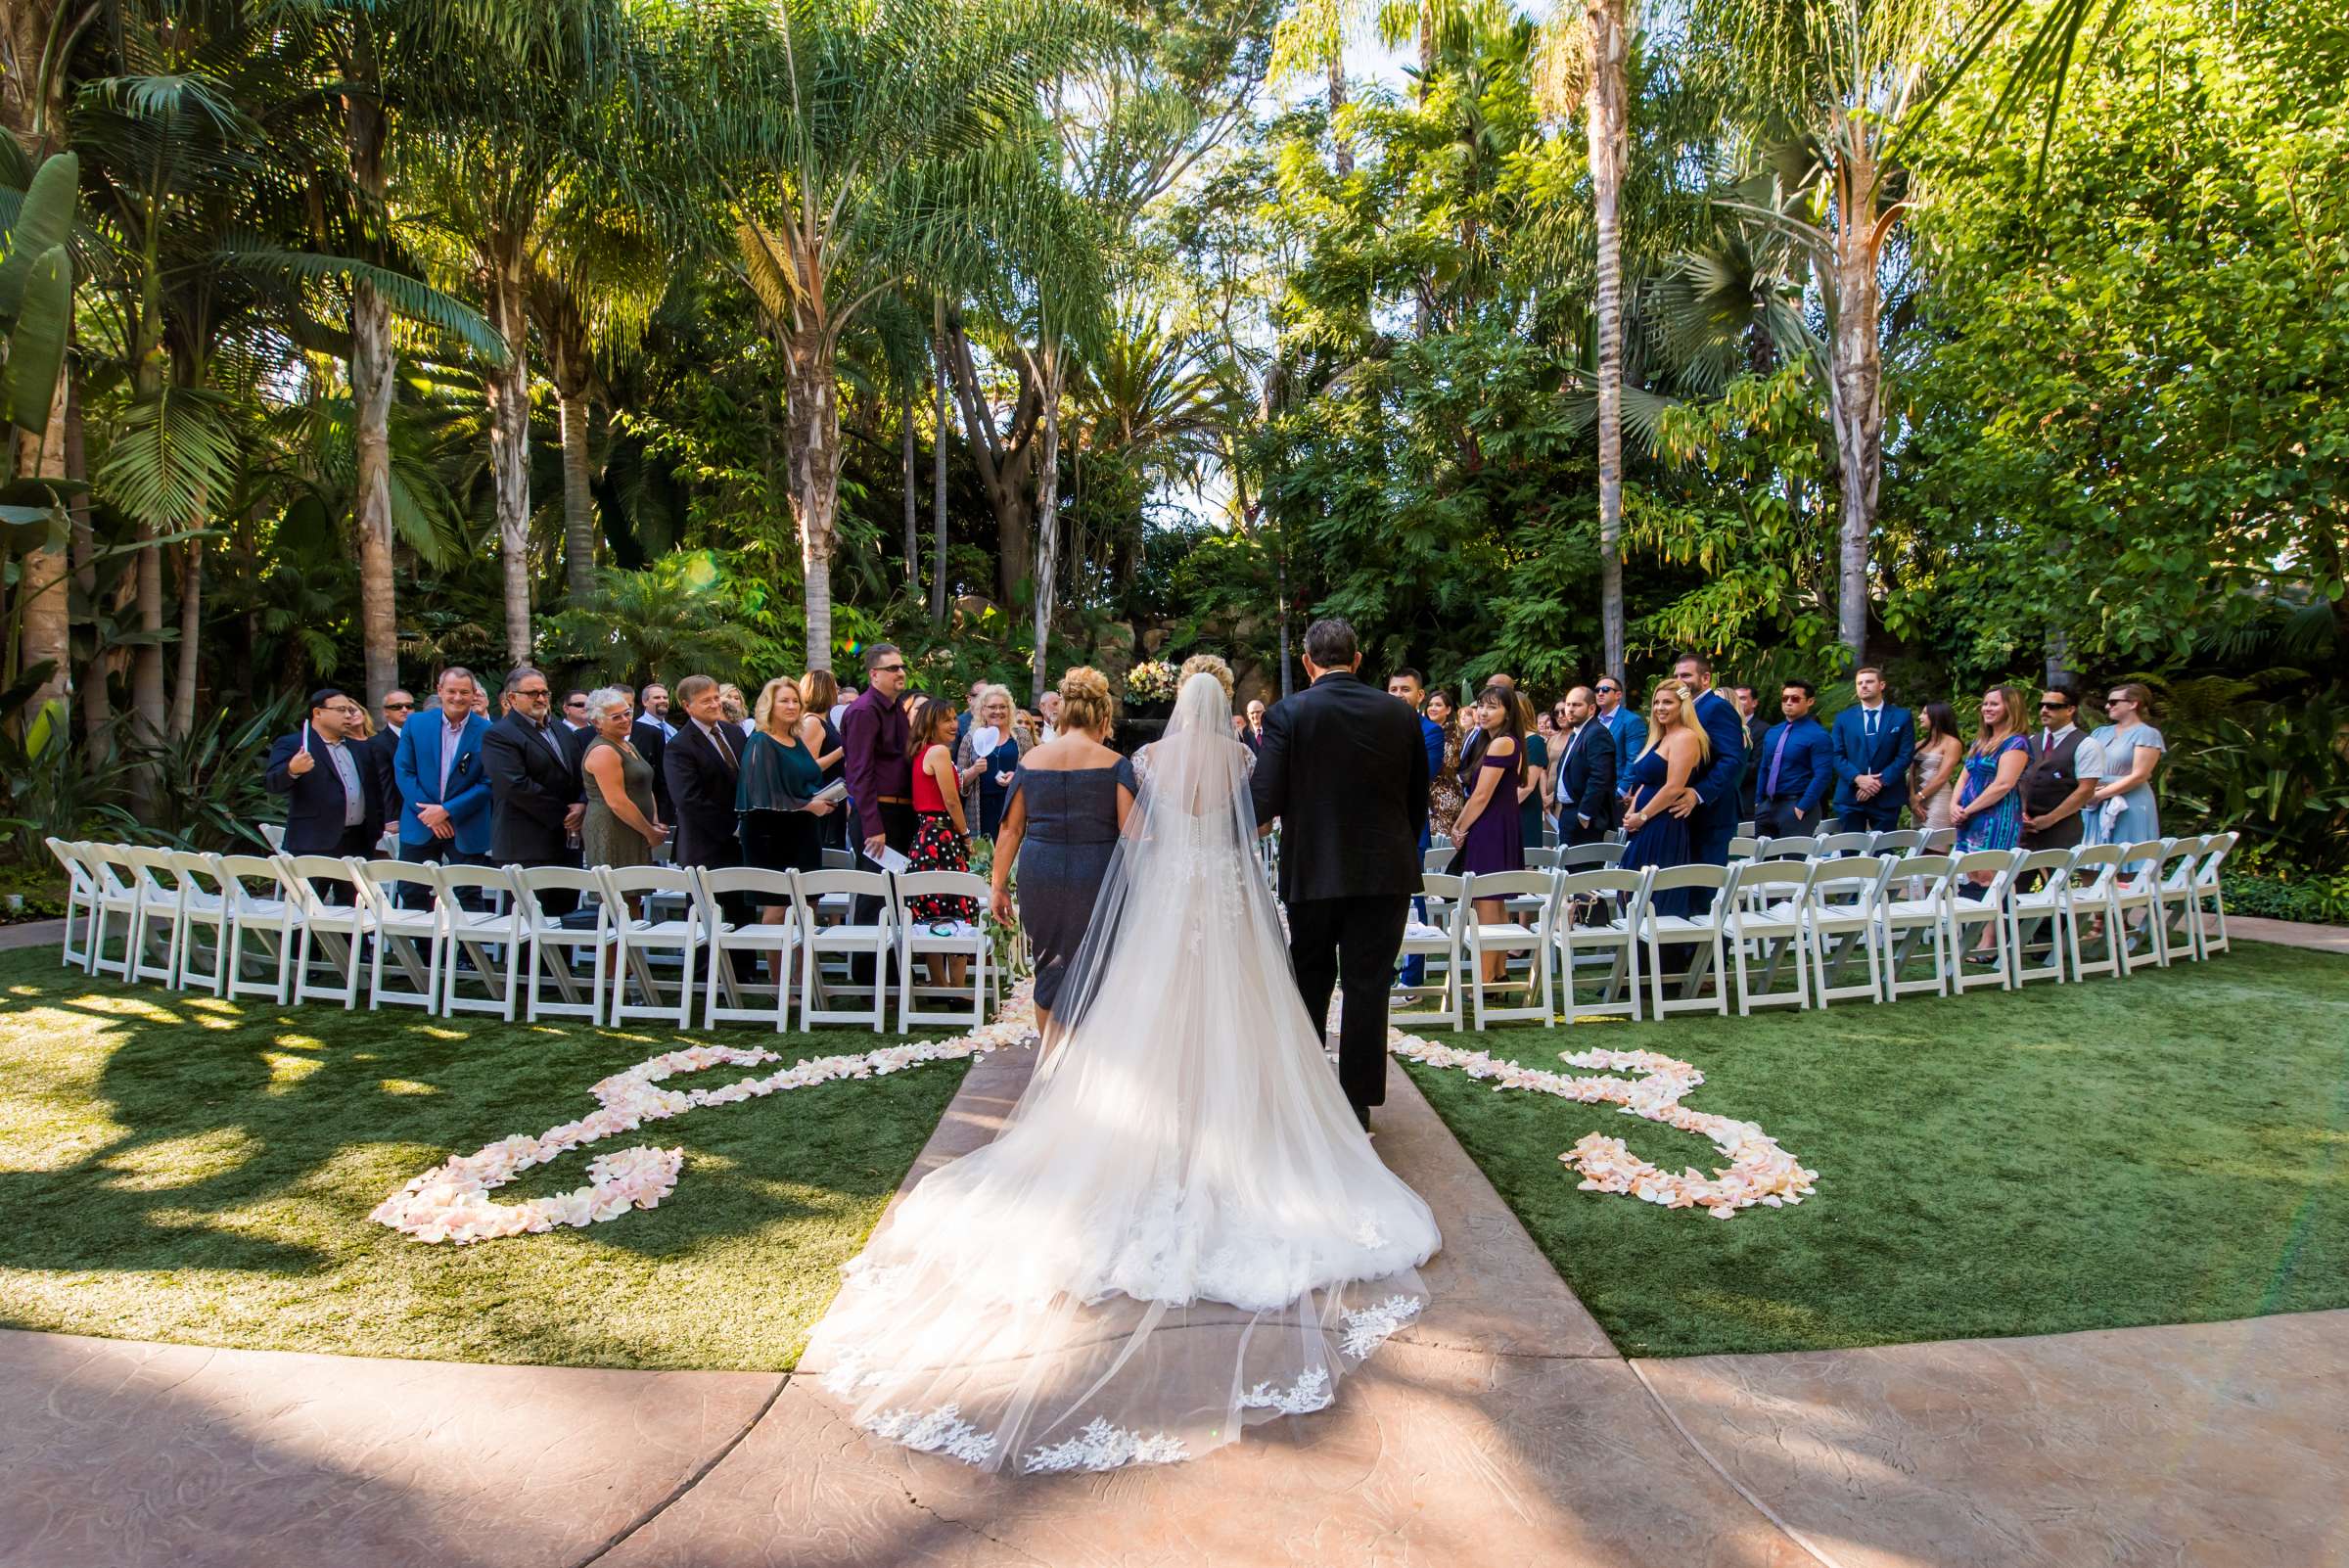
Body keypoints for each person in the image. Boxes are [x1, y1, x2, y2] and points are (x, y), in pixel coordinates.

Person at [811, 661, 1439, 1477]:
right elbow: (1248, 825)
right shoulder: (1242, 759)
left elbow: (1144, 838)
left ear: (1176, 707)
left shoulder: (1144, 762)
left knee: (1154, 1014)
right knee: (1247, 1011)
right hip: (1227, 899)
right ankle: (1244, 1117)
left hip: (1172, 899)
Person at [1250, 617, 1429, 1130]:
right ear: (1356, 660)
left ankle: (1307, 1095)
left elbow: (1265, 800)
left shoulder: (1289, 712)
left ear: (1308, 662)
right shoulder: (1400, 713)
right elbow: (1416, 800)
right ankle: (1357, 1103)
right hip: (1386, 872)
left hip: (1314, 871)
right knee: (1369, 984)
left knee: (1310, 979)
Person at [988, 667, 1135, 1033]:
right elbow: (1132, 831)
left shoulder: (1031, 761)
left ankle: (1050, 1067)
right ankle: (1085, 1068)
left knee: (1049, 966)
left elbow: (1010, 829)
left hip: (1042, 871)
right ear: (1103, 716)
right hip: (1098, 872)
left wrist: (998, 885)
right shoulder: (1116, 764)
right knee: (1098, 966)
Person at [841, 644, 915, 986]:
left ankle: (895, 971)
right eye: (892, 668)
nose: (900, 672)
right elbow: (859, 772)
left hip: (900, 812)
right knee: (874, 896)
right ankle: (868, 977)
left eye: (901, 667)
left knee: (897, 894)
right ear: (874, 674)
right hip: (878, 815)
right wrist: (873, 825)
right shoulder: (863, 711)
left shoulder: (896, 708)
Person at [482, 668, 585, 914]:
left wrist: (581, 804)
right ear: (512, 698)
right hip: (525, 844)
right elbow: (515, 785)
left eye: (544, 692)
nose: (540, 698)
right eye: (532, 693)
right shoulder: (499, 735)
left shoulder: (561, 729)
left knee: (565, 922)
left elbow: (581, 772)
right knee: (528, 927)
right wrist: (564, 815)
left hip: (566, 844)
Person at [738, 676, 835, 934]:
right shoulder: (761, 741)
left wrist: (825, 798)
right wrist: (808, 805)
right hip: (771, 833)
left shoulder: (797, 741)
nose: (791, 706)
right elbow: (761, 791)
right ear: (769, 705)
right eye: (784, 701)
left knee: (809, 903)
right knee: (777, 909)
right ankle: (776, 974)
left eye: (795, 701)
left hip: (804, 830)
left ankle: (802, 973)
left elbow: (807, 777)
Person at [666, 673, 752, 957]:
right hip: (705, 844)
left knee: (741, 908)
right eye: (706, 701)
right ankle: (705, 975)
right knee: (706, 916)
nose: (715, 704)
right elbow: (688, 799)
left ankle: (743, 969)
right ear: (687, 706)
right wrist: (731, 828)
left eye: (716, 697)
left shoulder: (735, 734)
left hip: (740, 843)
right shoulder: (680, 745)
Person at [392, 668, 492, 906]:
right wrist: (431, 815)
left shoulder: (488, 731)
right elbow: (404, 771)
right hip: (421, 821)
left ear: (474, 694)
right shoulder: (415, 724)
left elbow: (488, 782)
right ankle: (426, 945)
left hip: (466, 823)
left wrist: (447, 810)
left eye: (464, 692)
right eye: (452, 691)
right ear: (440, 691)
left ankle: (466, 946)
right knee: (411, 890)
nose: (457, 697)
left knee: (467, 894)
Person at [264, 688, 387, 879]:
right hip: (313, 842)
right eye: (341, 710)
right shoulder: (294, 744)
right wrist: (291, 770)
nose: (348, 715)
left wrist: (376, 828)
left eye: (350, 710)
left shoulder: (361, 748)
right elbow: (272, 785)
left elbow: (375, 791)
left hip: (358, 841)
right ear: (318, 713)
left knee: (355, 906)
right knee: (312, 905)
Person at [1448, 684, 1525, 985]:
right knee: (1494, 904)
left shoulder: (1503, 742)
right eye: (1481, 705)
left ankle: (1486, 979)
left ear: (1508, 713)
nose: (1483, 711)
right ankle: (1499, 974)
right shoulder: (1491, 741)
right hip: (1494, 825)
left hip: (1490, 827)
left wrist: (1459, 827)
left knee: (1487, 905)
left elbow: (1481, 796)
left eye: (1492, 706)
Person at [1954, 686, 2033, 957]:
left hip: (1995, 817)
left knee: (1991, 876)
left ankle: (1991, 940)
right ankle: (1978, 934)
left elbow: (2003, 784)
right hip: (1970, 816)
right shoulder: (1980, 742)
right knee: (1974, 873)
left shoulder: (2016, 743)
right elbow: (1964, 776)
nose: (1987, 708)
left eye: (1994, 704)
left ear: (2010, 707)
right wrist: (1955, 805)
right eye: (1985, 704)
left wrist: (1969, 809)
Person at [1619, 680, 1709, 916]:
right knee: (1632, 888)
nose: (1660, 707)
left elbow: (1673, 787)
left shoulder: (1685, 737)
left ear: (1683, 706)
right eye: (1657, 702)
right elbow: (1646, 782)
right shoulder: (1660, 738)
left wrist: (1643, 815)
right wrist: (1632, 812)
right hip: (1644, 823)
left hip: (1663, 823)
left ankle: (1660, 951)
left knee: (1654, 894)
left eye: (1668, 702)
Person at [907, 695, 979, 990]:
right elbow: (951, 800)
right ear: (931, 723)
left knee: (932, 907)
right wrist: (966, 836)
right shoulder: (938, 752)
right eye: (946, 719)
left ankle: (940, 984)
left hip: (927, 836)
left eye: (954, 718)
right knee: (957, 906)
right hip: (943, 836)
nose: (953, 725)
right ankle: (957, 987)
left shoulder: (922, 751)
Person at [1669, 653, 1747, 890]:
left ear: (1705, 678)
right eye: (1675, 676)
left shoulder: (1716, 708)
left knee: (1705, 888)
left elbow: (1732, 759)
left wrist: (1698, 793)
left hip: (1712, 812)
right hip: (1685, 813)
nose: (1679, 681)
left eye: (1686, 675)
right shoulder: (1685, 710)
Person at [578, 687, 668, 872]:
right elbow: (617, 801)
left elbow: (644, 785)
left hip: (636, 826)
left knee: (634, 892)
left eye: (627, 713)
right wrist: (649, 832)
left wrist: (654, 821)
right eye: (616, 717)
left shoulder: (627, 744)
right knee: (619, 891)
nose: (625, 720)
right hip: (613, 828)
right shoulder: (604, 751)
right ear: (597, 722)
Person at [2083, 682, 2165, 853]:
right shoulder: (2100, 732)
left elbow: (2140, 775)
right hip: (2095, 801)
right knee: (2090, 860)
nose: (2107, 707)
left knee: (2128, 858)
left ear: (2133, 704)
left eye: (2113, 702)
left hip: (2129, 802)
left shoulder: (2147, 734)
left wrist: (2098, 795)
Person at [1830, 666, 1914, 831]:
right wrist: (1858, 779)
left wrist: (1879, 782)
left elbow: (1905, 755)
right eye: (1859, 683)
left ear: (1882, 685)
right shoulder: (1843, 718)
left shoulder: (1901, 716)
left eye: (1869, 682)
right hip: (1851, 796)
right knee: (1850, 853)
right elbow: (1836, 755)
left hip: (1887, 796)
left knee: (1883, 853)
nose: (1863, 686)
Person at [1751, 679, 1834, 840]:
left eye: (1795, 699)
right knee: (1762, 861)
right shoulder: (1773, 732)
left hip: (1796, 804)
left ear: (1810, 701)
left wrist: (1802, 806)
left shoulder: (1818, 735)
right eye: (1785, 698)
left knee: (1793, 862)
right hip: (1768, 805)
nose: (1788, 702)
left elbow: (1823, 775)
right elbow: (1764, 767)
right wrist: (1759, 801)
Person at [2020, 685, 2097, 851]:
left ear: (2070, 710)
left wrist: (2050, 819)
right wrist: (2021, 810)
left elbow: (2086, 790)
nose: (2044, 710)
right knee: (2015, 876)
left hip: (2062, 828)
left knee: (2056, 876)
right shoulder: (2032, 740)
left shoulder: (2087, 745)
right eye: (2041, 705)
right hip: (2025, 829)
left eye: (2052, 706)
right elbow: (2022, 779)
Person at [1553, 686, 1618, 846]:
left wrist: (1585, 814)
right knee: (1568, 868)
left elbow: (1601, 776)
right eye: (1568, 704)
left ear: (1591, 709)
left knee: (1583, 868)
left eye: (1576, 705)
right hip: (1568, 813)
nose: (1570, 709)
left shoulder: (1596, 733)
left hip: (1586, 818)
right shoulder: (1577, 733)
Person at [956, 684, 1022, 840]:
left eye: (1002, 707)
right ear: (983, 710)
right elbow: (958, 780)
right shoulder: (970, 738)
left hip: (1014, 804)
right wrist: (974, 770)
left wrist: (1017, 776)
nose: (998, 711)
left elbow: (1034, 772)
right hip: (981, 808)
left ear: (1009, 709)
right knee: (984, 857)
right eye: (992, 707)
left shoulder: (1021, 736)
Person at [797, 668, 849, 850]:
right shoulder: (812, 723)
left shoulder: (824, 722)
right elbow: (809, 767)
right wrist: (843, 750)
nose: (838, 690)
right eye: (834, 687)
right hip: (822, 800)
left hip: (835, 799)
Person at [1911, 702, 1964, 832]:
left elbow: (1942, 776)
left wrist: (1919, 797)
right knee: (1917, 846)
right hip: (1917, 801)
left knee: (1934, 846)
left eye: (1924, 713)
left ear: (1937, 716)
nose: (1920, 717)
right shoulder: (1919, 744)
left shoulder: (1952, 743)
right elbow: (1911, 773)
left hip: (1938, 798)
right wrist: (1912, 798)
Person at [1425, 690, 1467, 839]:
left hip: (1444, 794)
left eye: (1438, 705)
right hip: (1429, 794)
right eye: (1430, 704)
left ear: (1448, 709)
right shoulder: (1428, 729)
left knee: (1440, 846)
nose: (1432, 708)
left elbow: (1445, 762)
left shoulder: (1452, 731)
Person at [369, 688, 413, 822]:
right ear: (385, 712)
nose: (404, 710)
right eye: (397, 707)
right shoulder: (378, 743)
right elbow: (385, 783)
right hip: (400, 814)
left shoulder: (425, 737)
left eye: (409, 706)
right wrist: (391, 818)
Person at [1514, 692, 1550, 851]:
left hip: (1523, 811)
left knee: (1524, 865)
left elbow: (1527, 786)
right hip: (1509, 810)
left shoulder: (1534, 741)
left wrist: (1500, 809)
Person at [1732, 685, 1770, 819]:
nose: (1737, 702)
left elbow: (1757, 766)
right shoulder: (1725, 726)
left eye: (1742, 698)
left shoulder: (1763, 730)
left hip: (1746, 800)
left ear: (1754, 703)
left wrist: (1726, 770)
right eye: (1734, 698)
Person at [1593, 674, 1646, 764]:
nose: (1600, 693)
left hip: (1619, 778)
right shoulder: (1594, 722)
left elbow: (1633, 760)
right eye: (1597, 690)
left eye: (1605, 689)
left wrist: (1624, 779)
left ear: (1618, 695)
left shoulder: (1632, 721)